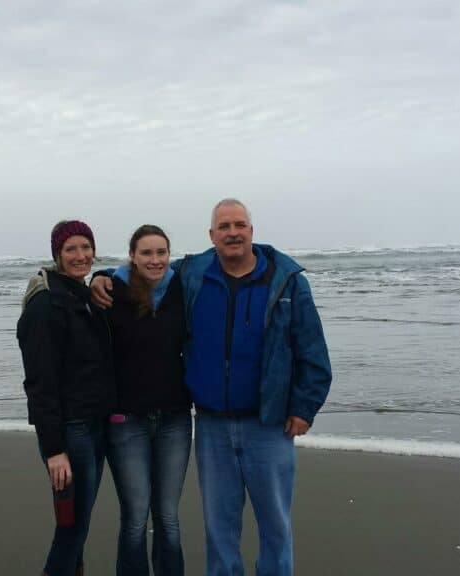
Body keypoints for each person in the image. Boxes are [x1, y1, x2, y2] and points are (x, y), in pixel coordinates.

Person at [92, 199, 332, 576]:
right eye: (224, 226)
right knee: (219, 532)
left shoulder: (286, 282)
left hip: (268, 426)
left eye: (239, 224)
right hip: (210, 427)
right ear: (211, 235)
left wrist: (304, 408)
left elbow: (314, 353)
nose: (232, 232)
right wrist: (101, 276)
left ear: (252, 231)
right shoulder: (194, 274)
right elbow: (146, 272)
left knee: (275, 528)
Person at [18, 219, 114, 576]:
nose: (80, 255)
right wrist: (55, 449)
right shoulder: (46, 303)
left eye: (86, 247)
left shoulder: (83, 295)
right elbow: (39, 383)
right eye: (71, 249)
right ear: (57, 254)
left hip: (93, 426)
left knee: (80, 523)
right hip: (69, 434)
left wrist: (104, 274)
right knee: (71, 525)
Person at [103, 224, 192, 576]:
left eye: (161, 253)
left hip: (175, 419)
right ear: (133, 257)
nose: (155, 260)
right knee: (136, 517)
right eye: (147, 253)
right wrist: (99, 276)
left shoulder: (184, 288)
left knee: (168, 517)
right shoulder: (113, 292)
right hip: (128, 422)